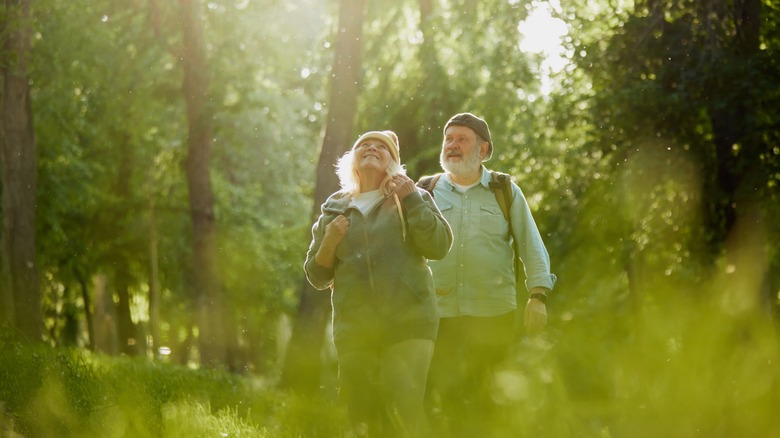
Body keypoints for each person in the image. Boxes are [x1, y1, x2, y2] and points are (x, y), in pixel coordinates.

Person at [304, 130, 453, 437]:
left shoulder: (413, 197)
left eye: (381, 147)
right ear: (352, 161)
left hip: (409, 321)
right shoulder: (333, 209)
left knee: (403, 409)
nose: (372, 148)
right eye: (364, 145)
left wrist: (411, 198)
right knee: (362, 414)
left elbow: (438, 246)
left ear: (393, 162)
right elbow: (316, 275)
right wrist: (330, 241)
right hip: (355, 326)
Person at [423, 113, 557, 432]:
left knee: (488, 402)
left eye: (462, 139)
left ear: (483, 150)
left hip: (492, 314)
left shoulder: (505, 190)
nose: (453, 145)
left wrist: (538, 296)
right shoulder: (424, 190)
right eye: (449, 139)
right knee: (436, 402)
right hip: (435, 314)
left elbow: (531, 244)